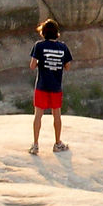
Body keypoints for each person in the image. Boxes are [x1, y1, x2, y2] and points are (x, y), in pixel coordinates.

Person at [29, 19, 73, 154]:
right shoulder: (63, 47)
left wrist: (41, 63)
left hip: (42, 85)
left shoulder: (39, 46)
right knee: (57, 116)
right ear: (56, 33)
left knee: (38, 115)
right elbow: (67, 66)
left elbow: (32, 66)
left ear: (43, 32)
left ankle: (35, 145)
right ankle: (58, 143)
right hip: (55, 86)